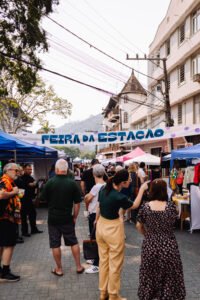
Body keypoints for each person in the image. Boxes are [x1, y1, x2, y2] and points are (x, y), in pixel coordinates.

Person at [96, 169, 148, 300]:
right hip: (113, 229)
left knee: (103, 262)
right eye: (129, 180)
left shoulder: (103, 189)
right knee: (115, 264)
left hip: (101, 226)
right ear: (123, 183)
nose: (131, 181)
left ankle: (103, 293)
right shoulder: (119, 197)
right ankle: (113, 294)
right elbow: (135, 205)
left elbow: (99, 206)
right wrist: (142, 189)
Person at [136, 179, 186, 300]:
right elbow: (174, 222)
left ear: (151, 191)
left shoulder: (145, 207)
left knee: (149, 274)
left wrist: (147, 235)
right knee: (169, 275)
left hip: (150, 244)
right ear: (164, 191)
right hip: (168, 245)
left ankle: (149, 295)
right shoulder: (170, 207)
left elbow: (138, 225)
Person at [40, 159, 84, 276]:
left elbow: (42, 198)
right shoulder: (72, 183)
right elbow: (77, 203)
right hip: (67, 218)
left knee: (55, 244)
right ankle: (79, 266)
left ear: (56, 169)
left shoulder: (50, 182)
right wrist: (74, 217)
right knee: (73, 241)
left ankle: (59, 269)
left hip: (53, 219)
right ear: (66, 170)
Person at [0, 163, 21, 282]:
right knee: (8, 245)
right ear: (8, 170)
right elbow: (1, 194)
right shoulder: (4, 180)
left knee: (2, 244)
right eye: (16, 171)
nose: (17, 173)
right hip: (6, 219)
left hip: (6, 219)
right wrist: (14, 192)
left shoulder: (7, 181)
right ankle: (5, 272)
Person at [84, 164, 106, 274]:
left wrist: (86, 196)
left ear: (94, 174)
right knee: (97, 237)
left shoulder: (96, 187)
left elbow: (87, 199)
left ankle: (96, 264)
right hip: (102, 214)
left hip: (94, 214)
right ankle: (94, 258)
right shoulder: (106, 185)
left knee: (95, 238)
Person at [20, 164, 43, 236]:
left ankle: (34, 229)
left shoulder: (30, 177)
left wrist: (34, 184)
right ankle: (25, 232)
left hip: (29, 199)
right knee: (24, 216)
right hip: (23, 200)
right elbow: (31, 185)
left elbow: (35, 184)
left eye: (31, 169)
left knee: (33, 214)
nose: (30, 171)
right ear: (24, 169)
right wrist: (33, 184)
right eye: (28, 169)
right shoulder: (23, 178)